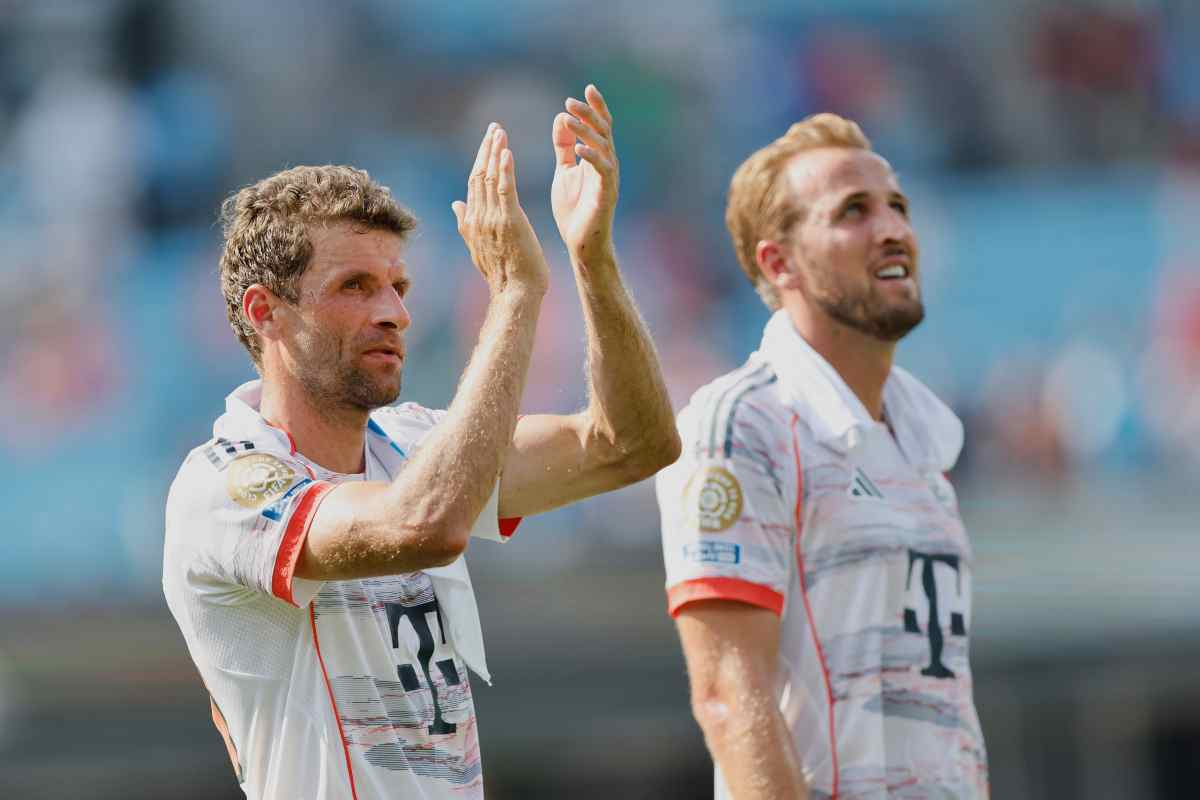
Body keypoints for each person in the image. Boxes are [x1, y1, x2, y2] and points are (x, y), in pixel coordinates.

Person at [163, 85, 680, 800]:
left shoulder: (413, 444)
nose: (394, 313)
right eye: (355, 286)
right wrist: (514, 294)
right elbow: (423, 525)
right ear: (265, 312)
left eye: (399, 286)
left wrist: (591, 259)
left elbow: (632, 444)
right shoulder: (225, 486)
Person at [655, 114, 988, 799]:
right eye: (853, 212)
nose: (892, 229)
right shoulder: (743, 423)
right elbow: (728, 696)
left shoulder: (922, 438)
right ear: (779, 263)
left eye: (897, 206)